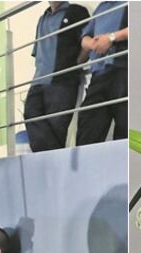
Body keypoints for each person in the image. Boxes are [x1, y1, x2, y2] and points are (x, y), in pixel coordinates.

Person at [23, 2, 91, 152]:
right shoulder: (42, 18)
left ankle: (52, 167)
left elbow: (87, 43)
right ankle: (56, 162)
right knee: (30, 115)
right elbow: (38, 51)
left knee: (56, 129)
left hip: (62, 81)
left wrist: (74, 64)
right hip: (38, 80)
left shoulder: (76, 11)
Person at [76, 1, 128, 145]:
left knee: (125, 127)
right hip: (99, 73)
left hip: (123, 68)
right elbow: (85, 37)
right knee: (88, 127)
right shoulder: (101, 7)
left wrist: (111, 38)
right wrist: (92, 43)